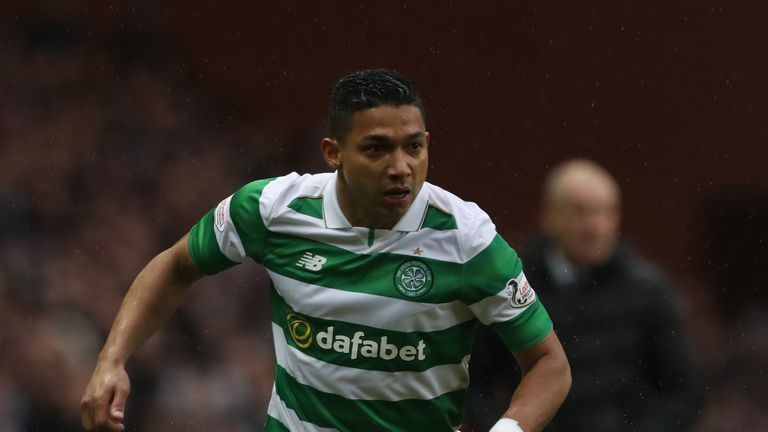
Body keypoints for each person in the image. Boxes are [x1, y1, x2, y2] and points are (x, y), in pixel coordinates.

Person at [80, 69, 571, 432]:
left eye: (414, 147)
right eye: (377, 148)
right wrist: (111, 360)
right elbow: (175, 265)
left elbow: (549, 365)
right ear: (333, 153)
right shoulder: (274, 209)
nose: (401, 166)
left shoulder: (467, 239)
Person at [467, 159, 701, 432]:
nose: (596, 227)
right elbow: (473, 384)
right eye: (581, 212)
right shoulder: (512, 284)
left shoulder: (648, 291)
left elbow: (683, 393)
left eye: (607, 213)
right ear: (549, 216)